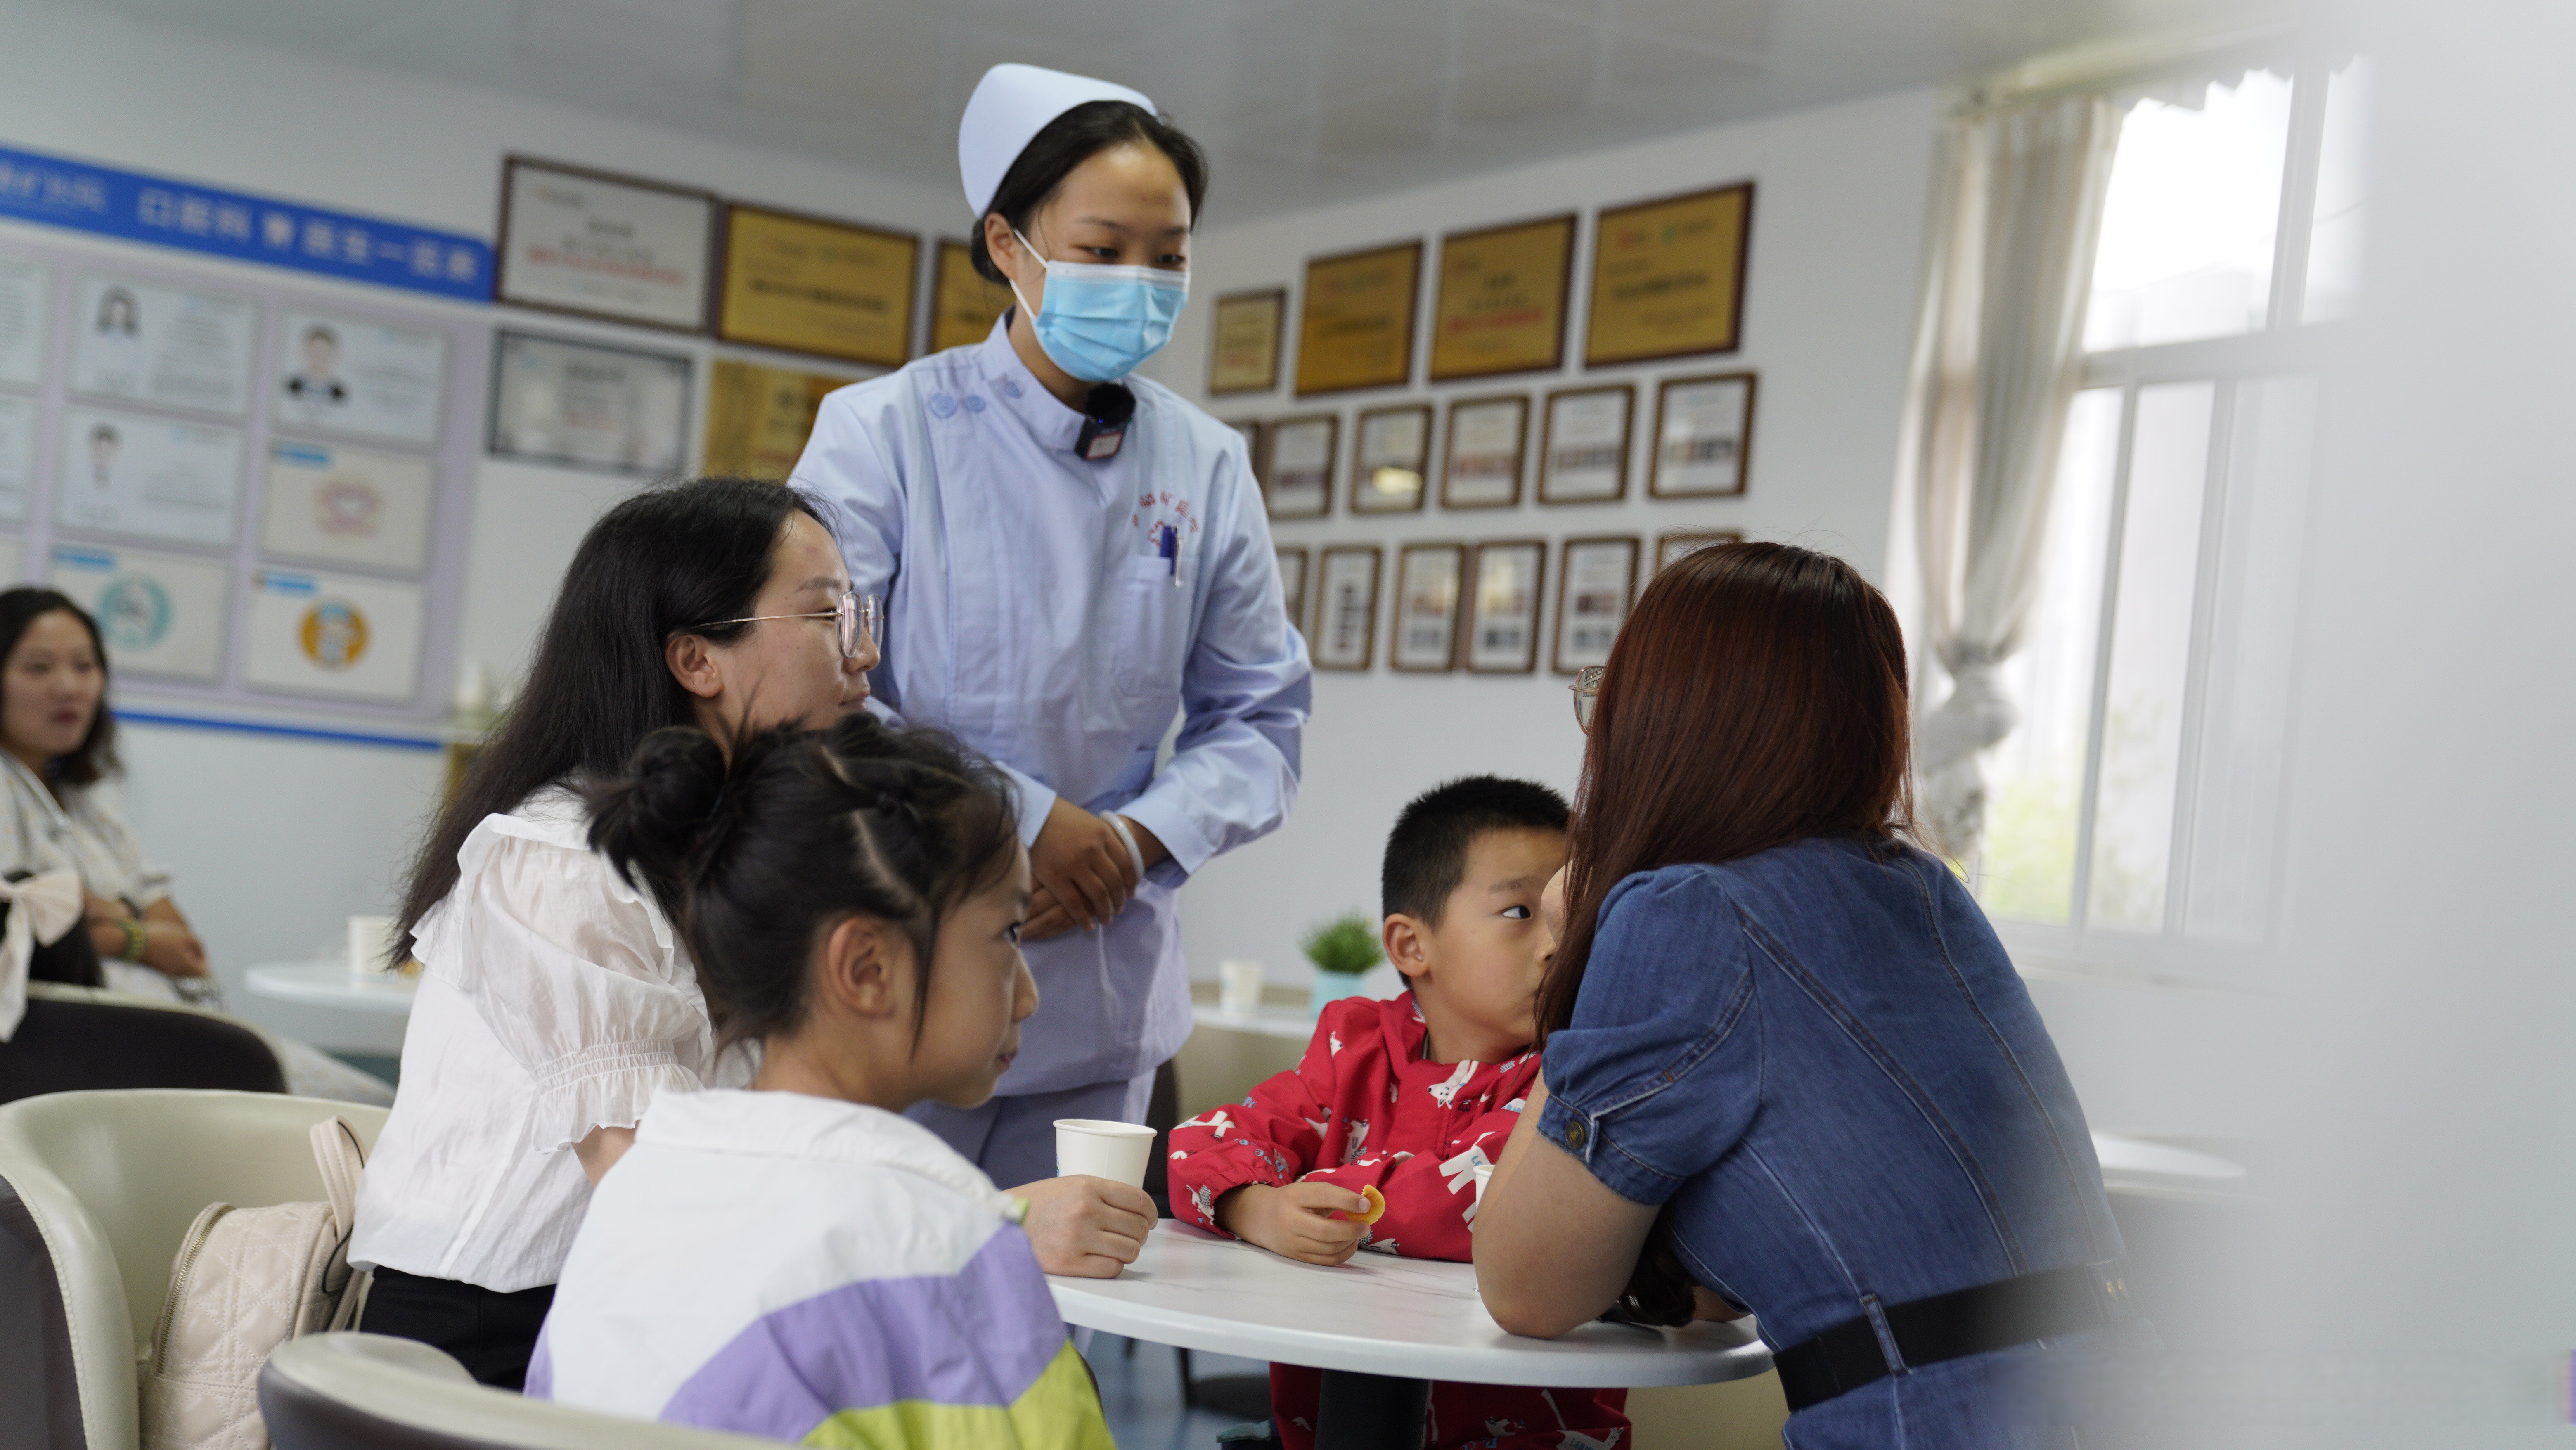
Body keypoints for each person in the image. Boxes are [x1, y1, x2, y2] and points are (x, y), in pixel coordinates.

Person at [352, 479, 1146, 1391]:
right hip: (496, 1335)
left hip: (669, 1298)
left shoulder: (742, 845)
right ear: (697, 659)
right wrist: (983, 1219)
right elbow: (649, 1185)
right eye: (827, 615)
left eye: (861, 611)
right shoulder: (556, 858)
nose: (867, 651)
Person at [1473, 543, 2140, 1447]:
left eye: (1610, 697)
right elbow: (1736, 1271)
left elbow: (1527, 1288)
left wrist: (1583, 947)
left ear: (1665, 723)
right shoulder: (1926, 891)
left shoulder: (1685, 912)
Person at [792, 62, 1309, 1191]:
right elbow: (820, 691)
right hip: (903, 974)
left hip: (1099, 986)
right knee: (875, 1322)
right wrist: (1025, 823)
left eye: (1167, 256)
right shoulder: (883, 434)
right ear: (1008, 245)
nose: (1140, 280)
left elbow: (1263, 724)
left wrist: (1130, 842)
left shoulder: (1208, 464)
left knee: (1041, 1341)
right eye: (1101, 247)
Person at [532, 718, 1110, 1447]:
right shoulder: (950, 1241)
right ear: (867, 968)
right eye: (1009, 934)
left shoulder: (638, 1195)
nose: (1026, 992)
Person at [1170, 777, 1625, 1450]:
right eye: (1520, 913)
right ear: (1412, 945)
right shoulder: (1351, 1047)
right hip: (1334, 1429)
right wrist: (1254, 1208)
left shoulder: (1573, 1072)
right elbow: (1202, 1142)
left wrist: (1309, 1194)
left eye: (1573, 913)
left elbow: (1472, 1191)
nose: (1558, 942)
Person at [0, 587, 389, 1103]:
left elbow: (182, 940)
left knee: (381, 1102)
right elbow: (17, 936)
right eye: (39, 667)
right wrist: (139, 939)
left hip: (170, 1035)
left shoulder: (86, 803)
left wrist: (104, 914)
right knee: (367, 1115)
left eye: (85, 665)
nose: (69, 687)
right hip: (89, 1053)